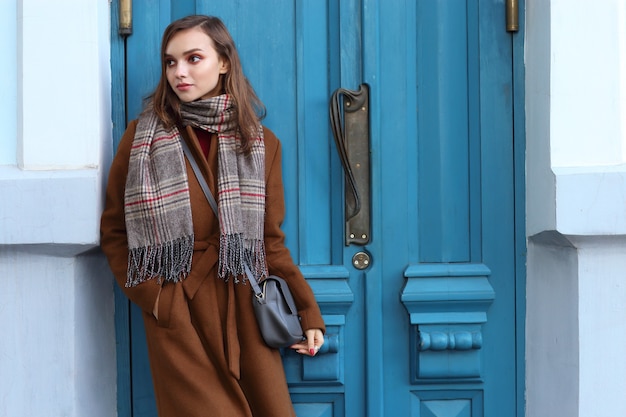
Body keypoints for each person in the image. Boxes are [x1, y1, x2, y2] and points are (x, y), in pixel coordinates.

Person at [100, 14, 325, 417]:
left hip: (244, 306)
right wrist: (158, 301)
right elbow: (116, 231)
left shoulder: (259, 144)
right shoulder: (142, 138)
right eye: (170, 62)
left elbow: (268, 241)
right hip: (179, 310)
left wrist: (308, 312)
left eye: (193, 58)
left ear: (223, 62)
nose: (179, 72)